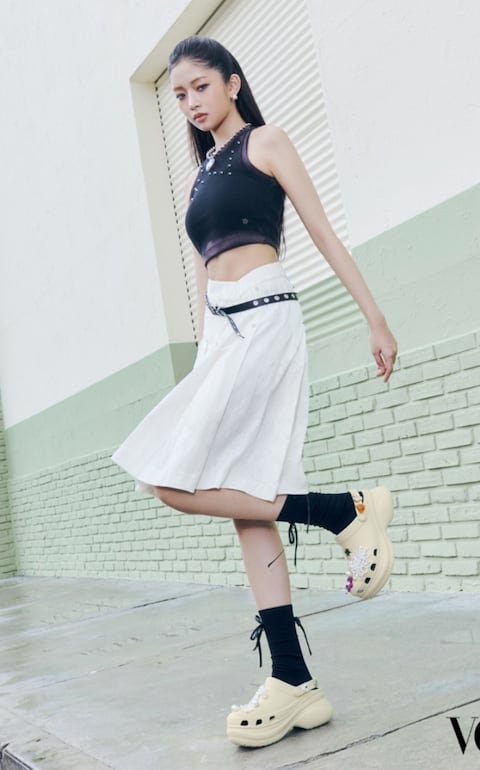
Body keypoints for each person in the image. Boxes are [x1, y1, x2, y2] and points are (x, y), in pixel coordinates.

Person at [112, 35, 398, 748]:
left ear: (232, 83)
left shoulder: (265, 143)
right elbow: (203, 279)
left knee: (172, 482)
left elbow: (323, 233)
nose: (190, 102)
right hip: (222, 335)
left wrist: (374, 317)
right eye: (180, 94)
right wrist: (202, 360)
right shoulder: (197, 178)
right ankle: (294, 678)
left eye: (201, 86)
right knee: (241, 500)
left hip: (267, 319)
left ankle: (341, 512)